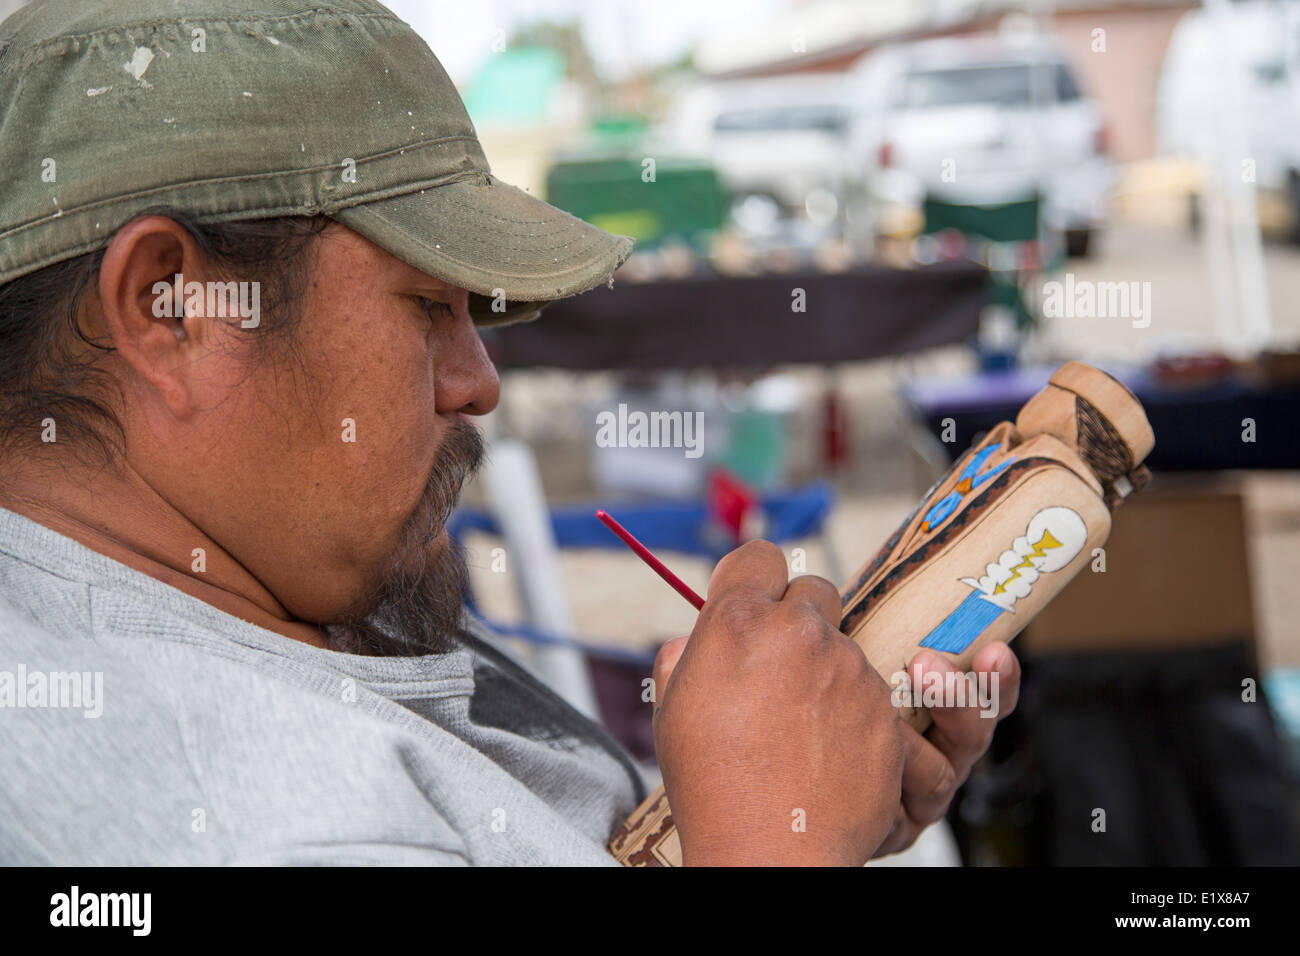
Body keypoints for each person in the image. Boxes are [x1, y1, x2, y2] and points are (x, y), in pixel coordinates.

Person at [0, 0, 1019, 865]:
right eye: (427, 305)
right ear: (174, 308)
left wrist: (784, 794)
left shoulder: (241, 574)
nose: (478, 381)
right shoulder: (269, 825)